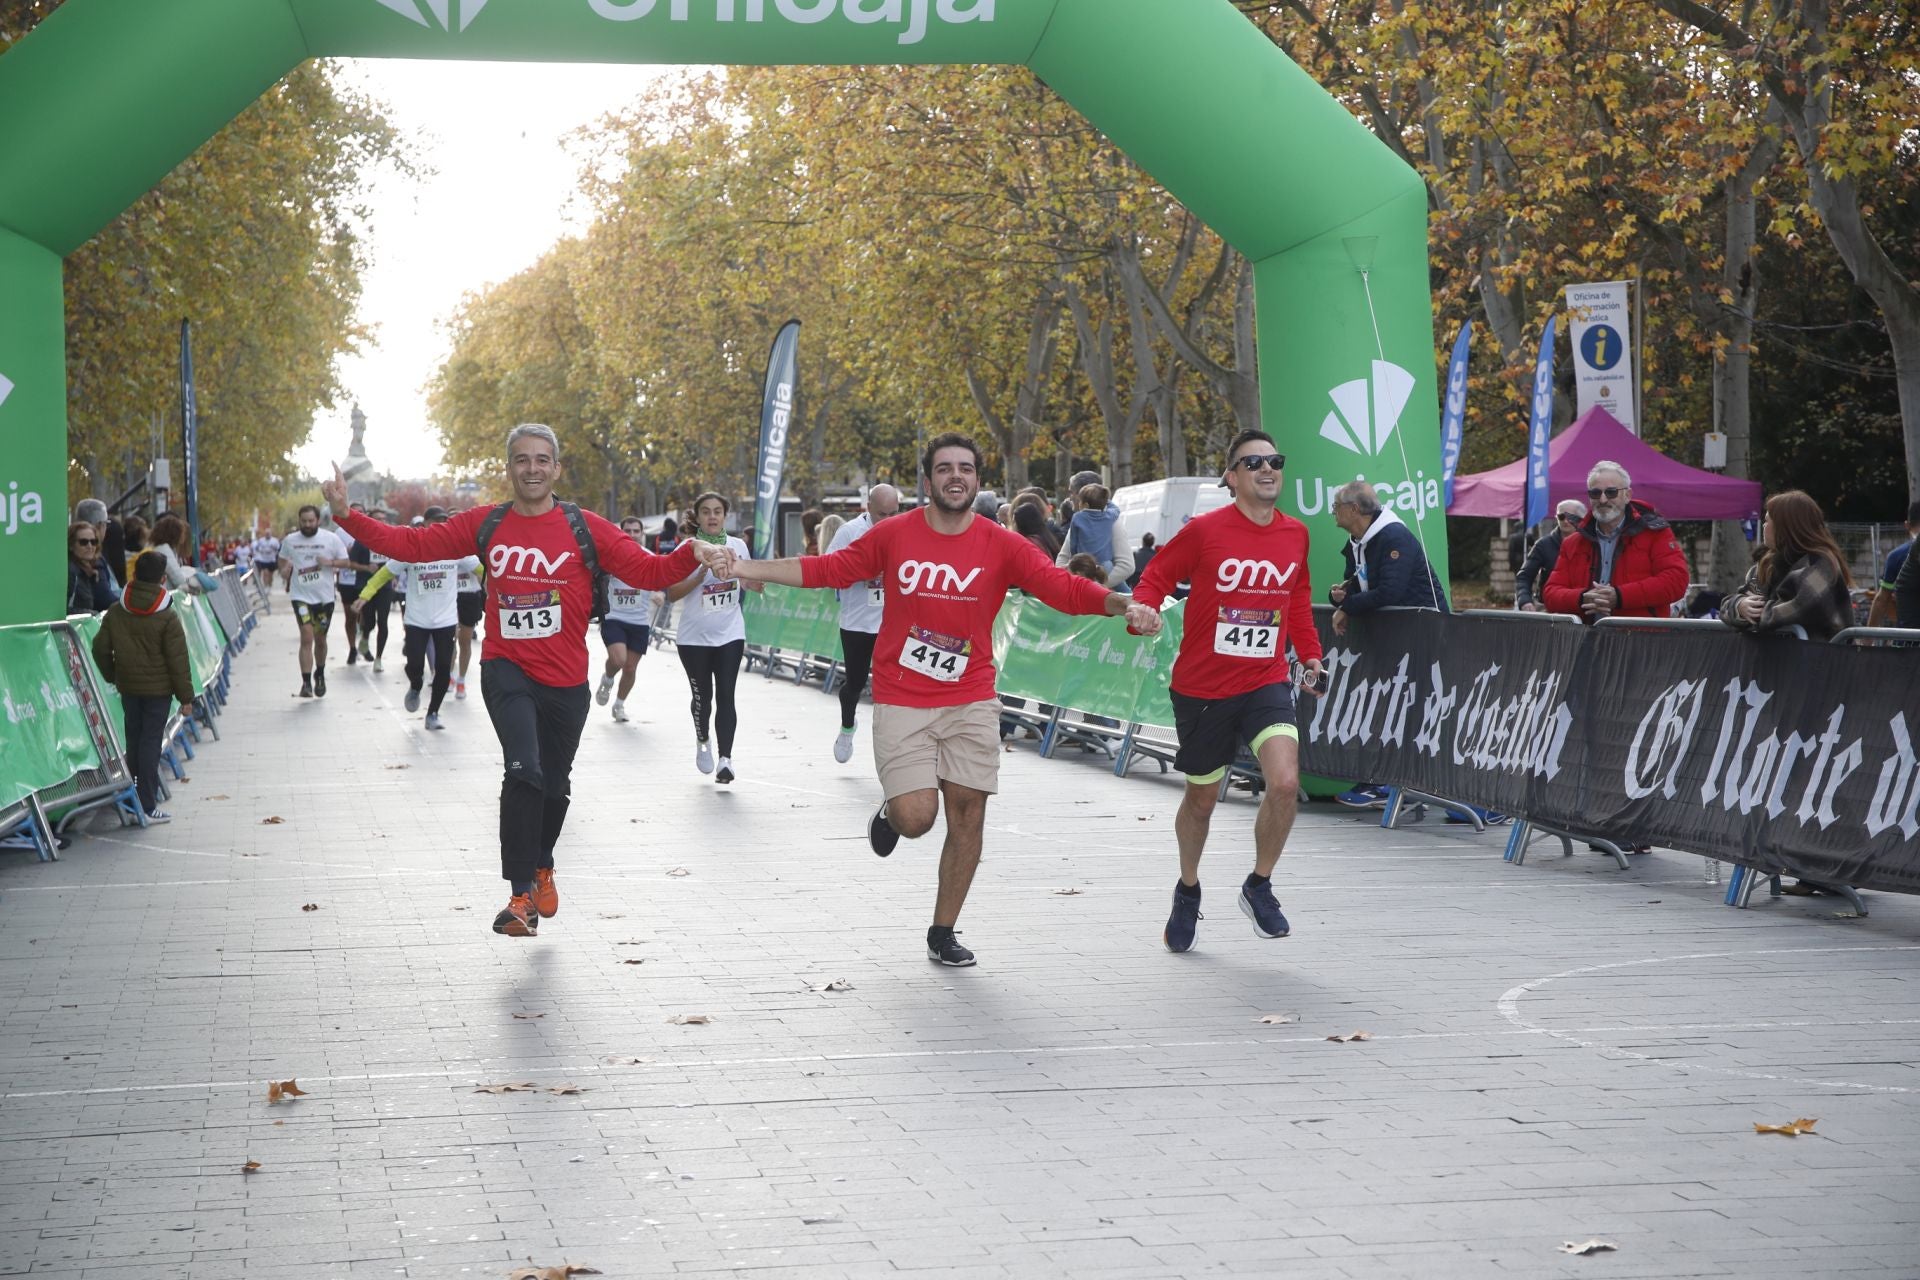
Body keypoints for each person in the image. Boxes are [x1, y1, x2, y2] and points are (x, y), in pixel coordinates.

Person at [726, 432, 1161, 967]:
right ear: (928, 480)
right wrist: (745, 567)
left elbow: (1061, 587)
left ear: (978, 480)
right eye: (945, 468)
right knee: (917, 818)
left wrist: (1124, 605)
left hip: (971, 696)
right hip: (903, 697)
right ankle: (892, 813)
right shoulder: (894, 535)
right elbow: (827, 570)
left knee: (968, 814)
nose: (956, 476)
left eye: (966, 469)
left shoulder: (1000, 544)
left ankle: (943, 930)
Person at [322, 423, 724, 936]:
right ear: (508, 468)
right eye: (521, 460)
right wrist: (345, 514)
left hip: (565, 681)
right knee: (524, 771)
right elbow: (412, 544)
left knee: (554, 787)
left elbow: (650, 572)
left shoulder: (586, 528)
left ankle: (542, 864)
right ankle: (518, 898)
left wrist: (694, 551)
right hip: (506, 668)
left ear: (556, 468)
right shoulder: (485, 523)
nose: (531, 468)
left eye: (541, 460)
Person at [1128, 431, 1322, 952]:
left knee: (1284, 782)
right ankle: (1188, 889)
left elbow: (1297, 598)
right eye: (1253, 462)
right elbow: (1155, 578)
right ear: (1231, 477)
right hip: (1202, 688)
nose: (1267, 469)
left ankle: (1259, 885)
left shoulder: (1296, 535)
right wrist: (1142, 610)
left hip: (1264, 681)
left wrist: (1310, 655)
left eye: (1274, 460)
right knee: (1202, 800)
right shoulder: (1204, 531)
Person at [1326, 480, 1448, 809]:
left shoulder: (1394, 537)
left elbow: (1390, 592)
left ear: (1354, 510)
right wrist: (1340, 597)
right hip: (1393, 639)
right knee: (1392, 707)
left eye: (1336, 506)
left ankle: (1406, 784)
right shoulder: (1357, 540)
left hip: (1424, 636)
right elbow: (1357, 584)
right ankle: (1386, 780)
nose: (1333, 512)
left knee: (1415, 709)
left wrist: (1347, 608)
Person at [90, 551, 195, 824]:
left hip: (129, 688)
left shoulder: (115, 611)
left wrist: (112, 675)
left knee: (134, 742)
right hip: (158, 692)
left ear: (134, 575)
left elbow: (100, 648)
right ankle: (147, 804)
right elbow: (178, 660)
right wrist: (186, 697)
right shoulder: (167, 617)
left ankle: (133, 798)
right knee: (150, 743)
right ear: (162, 579)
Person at [667, 491, 760, 785]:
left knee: (726, 695)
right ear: (698, 516)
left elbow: (753, 584)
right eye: (706, 511)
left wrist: (748, 573)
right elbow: (671, 593)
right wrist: (701, 571)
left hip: (730, 633)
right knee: (702, 698)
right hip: (694, 638)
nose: (712, 516)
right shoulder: (687, 548)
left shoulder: (738, 546)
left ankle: (725, 760)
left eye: (717, 511)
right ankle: (702, 739)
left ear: (725, 515)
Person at [355, 506, 475, 730]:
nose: (439, 527)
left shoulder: (456, 548)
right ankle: (415, 685)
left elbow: (483, 570)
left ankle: (433, 713)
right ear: (426, 524)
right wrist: (365, 595)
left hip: (446, 620)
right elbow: (385, 573)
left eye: (443, 522)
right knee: (415, 666)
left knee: (442, 667)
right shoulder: (412, 549)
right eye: (435, 522)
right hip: (416, 620)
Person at [1542, 461, 1690, 624]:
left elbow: (1676, 582)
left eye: (1611, 492)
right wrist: (1581, 598)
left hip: (1642, 642)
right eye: (1595, 493)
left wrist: (1620, 596)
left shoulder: (1656, 533)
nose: (1603, 499)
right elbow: (1550, 594)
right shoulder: (1572, 543)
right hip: (1586, 642)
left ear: (1627, 495)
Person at [826, 483, 902, 763]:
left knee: (892, 687)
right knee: (855, 684)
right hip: (857, 623)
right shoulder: (850, 532)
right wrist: (865, 571)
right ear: (868, 508)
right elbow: (830, 569)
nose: (889, 519)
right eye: (882, 514)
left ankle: (891, 745)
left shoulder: (902, 530)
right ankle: (847, 726)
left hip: (891, 624)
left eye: (894, 513)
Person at [1723, 491, 1853, 643]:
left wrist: (1748, 613)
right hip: (1780, 663)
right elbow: (1729, 604)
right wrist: (1739, 606)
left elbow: (1794, 611)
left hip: (1821, 662)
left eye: (1767, 520)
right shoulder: (1767, 563)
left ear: (1785, 526)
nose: (1763, 525)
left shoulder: (1821, 564)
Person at [278, 505, 351, 696]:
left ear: (318, 520)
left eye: (311, 521)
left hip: (324, 599)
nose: (307, 525)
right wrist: (284, 571)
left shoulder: (331, 539)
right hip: (300, 596)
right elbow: (282, 562)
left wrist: (330, 563)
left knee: (320, 639)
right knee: (306, 637)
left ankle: (320, 672)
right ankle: (306, 683)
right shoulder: (290, 540)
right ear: (299, 521)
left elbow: (346, 562)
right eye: (304, 521)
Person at [596, 516, 662, 723]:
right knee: (619, 659)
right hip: (614, 616)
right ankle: (607, 679)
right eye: (628, 530)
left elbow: (662, 577)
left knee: (630, 668)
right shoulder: (611, 557)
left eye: (636, 531)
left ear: (642, 534)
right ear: (621, 532)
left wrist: (659, 592)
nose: (632, 535)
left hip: (639, 620)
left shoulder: (649, 557)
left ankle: (619, 705)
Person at [1056, 482, 1135, 588]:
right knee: (1127, 593)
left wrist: (1095, 587)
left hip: (1095, 586)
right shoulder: (1109, 517)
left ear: (1085, 503)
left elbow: (1126, 566)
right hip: (1097, 571)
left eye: (1073, 493)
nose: (1070, 498)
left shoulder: (1079, 518)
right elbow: (1062, 559)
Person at [1515, 501, 1586, 611]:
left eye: (1571, 517)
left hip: (1584, 608)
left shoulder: (1592, 544)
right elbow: (1524, 576)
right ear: (1556, 517)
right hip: (1549, 609)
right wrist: (1525, 600)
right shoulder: (1543, 545)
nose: (1566, 521)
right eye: (1561, 516)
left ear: (1582, 519)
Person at [352, 507, 398, 671]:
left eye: (384, 519)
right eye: (378, 518)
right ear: (370, 520)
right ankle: (364, 638)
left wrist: (395, 577)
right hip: (365, 585)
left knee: (383, 622)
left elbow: (398, 560)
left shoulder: (390, 538)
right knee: (369, 622)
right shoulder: (362, 540)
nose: (381, 522)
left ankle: (378, 658)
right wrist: (365, 567)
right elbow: (351, 564)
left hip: (385, 587)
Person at [1867, 501, 1920, 628]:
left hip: (1907, 638)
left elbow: (1882, 600)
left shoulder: (1897, 556)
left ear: (1907, 525)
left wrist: (1867, 638)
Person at [74, 498, 126, 594]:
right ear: (100, 525)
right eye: (106, 524)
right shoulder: (92, 556)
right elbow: (105, 597)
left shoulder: (72, 551)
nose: (89, 546)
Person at [454, 541, 484, 700]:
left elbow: (484, 574)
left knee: (464, 641)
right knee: (449, 640)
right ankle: (450, 675)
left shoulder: (472, 554)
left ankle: (461, 680)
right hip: (450, 597)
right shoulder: (444, 550)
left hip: (469, 596)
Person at [66, 520, 117, 614]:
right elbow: (63, 610)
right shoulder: (70, 572)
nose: (90, 546)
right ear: (71, 545)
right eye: (83, 542)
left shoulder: (89, 571)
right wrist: (91, 614)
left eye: (93, 542)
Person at [147, 514, 199, 592]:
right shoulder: (164, 550)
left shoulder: (161, 548)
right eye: (182, 533)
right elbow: (179, 579)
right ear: (175, 534)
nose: (183, 536)